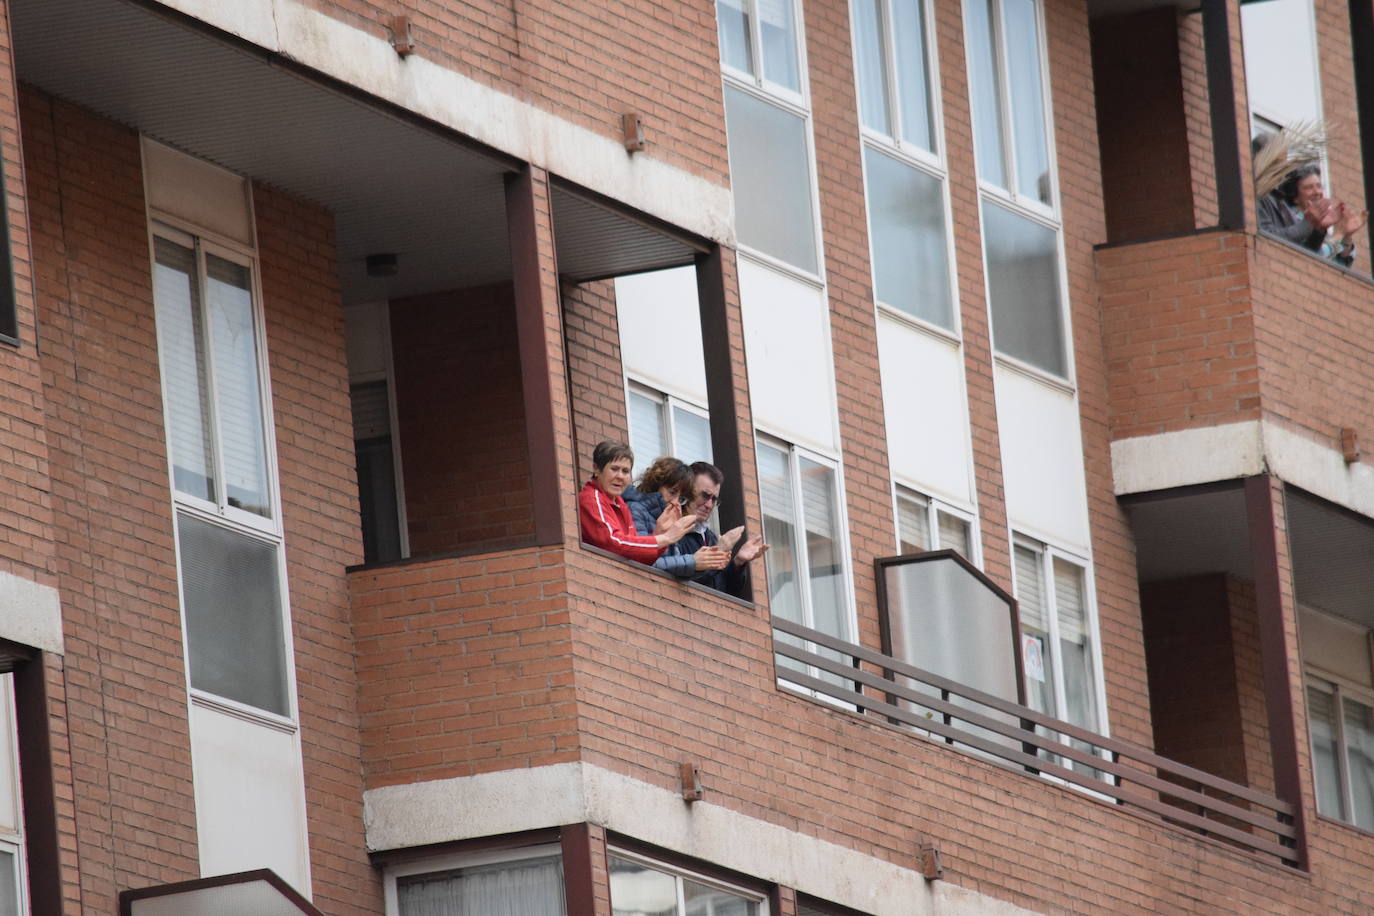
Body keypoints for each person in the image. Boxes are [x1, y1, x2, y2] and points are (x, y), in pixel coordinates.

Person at [660, 461, 767, 600]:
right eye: (704, 496)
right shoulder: (669, 530)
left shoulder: (711, 538)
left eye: (714, 499)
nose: (709, 505)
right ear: (687, 491)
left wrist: (738, 563)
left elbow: (729, 591)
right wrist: (718, 551)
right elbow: (679, 584)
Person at [579, 440, 695, 564]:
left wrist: (659, 532)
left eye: (625, 471)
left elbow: (637, 558)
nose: (620, 476)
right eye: (614, 469)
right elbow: (614, 542)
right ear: (596, 469)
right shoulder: (591, 498)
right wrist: (665, 538)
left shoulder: (620, 504)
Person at [623, 457, 732, 579]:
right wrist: (693, 561)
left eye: (681, 498)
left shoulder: (670, 517)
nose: (675, 502)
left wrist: (704, 564)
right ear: (656, 484)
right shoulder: (635, 509)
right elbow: (643, 562)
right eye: (672, 492)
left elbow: (675, 572)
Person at [1257, 165, 1367, 267]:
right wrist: (1338, 235)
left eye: (1319, 186)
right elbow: (1312, 257)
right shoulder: (1291, 220)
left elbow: (1340, 266)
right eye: (1309, 188)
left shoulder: (1320, 224)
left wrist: (1347, 236)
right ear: (1295, 196)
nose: (1317, 192)